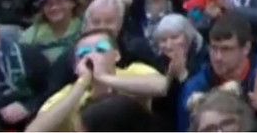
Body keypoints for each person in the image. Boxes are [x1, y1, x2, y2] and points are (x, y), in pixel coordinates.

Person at [27, 28, 167, 131]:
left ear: (117, 55)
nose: (92, 55)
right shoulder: (69, 93)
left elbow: (162, 87)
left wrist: (104, 77)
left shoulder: (134, 71)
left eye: (100, 49)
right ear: (76, 65)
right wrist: (82, 84)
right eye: (84, 53)